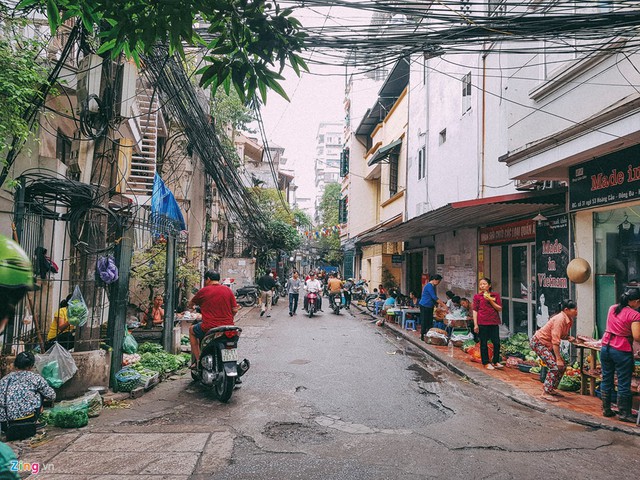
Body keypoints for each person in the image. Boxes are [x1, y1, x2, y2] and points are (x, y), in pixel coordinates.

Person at [600, 288, 640, 422]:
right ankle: (624, 413)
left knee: (607, 378)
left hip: (606, 347)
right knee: (623, 381)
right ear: (636, 301)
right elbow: (637, 336)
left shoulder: (612, 308)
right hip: (621, 350)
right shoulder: (634, 315)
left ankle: (606, 409)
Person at [187, 271, 240, 368]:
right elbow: (235, 309)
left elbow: (191, 304)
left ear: (208, 279)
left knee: (191, 330)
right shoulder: (228, 290)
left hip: (209, 327)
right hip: (228, 327)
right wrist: (229, 317)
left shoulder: (204, 291)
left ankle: (199, 361)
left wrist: (192, 307)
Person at [530, 299, 578, 402]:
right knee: (555, 366)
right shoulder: (560, 320)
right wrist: (558, 358)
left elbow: (561, 335)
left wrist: (568, 337)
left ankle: (551, 389)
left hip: (548, 343)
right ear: (566, 310)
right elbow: (555, 341)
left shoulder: (569, 319)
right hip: (539, 342)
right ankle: (546, 392)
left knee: (563, 366)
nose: (577, 311)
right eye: (575, 309)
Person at [0, 352, 56, 434]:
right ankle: (35, 421)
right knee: (40, 393)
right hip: (27, 420)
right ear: (31, 366)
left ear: (15, 365)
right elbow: (51, 395)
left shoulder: (4, 380)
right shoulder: (35, 378)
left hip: (5, 422)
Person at [473, 277, 504, 370]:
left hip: (494, 321)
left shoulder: (495, 295)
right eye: (481, 284)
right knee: (483, 343)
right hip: (482, 322)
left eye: (484, 284)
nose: (482, 286)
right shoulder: (477, 297)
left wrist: (490, 300)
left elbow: (499, 308)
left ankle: (495, 361)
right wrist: (475, 324)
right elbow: (475, 310)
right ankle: (485, 362)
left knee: (496, 342)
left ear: (489, 285)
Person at [419, 274, 446, 341]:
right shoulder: (429, 286)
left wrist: (437, 305)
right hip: (425, 305)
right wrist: (443, 305)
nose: (438, 283)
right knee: (425, 321)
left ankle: (428, 335)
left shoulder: (431, 286)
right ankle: (423, 335)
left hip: (429, 305)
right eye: (438, 281)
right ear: (434, 280)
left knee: (429, 321)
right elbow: (434, 297)